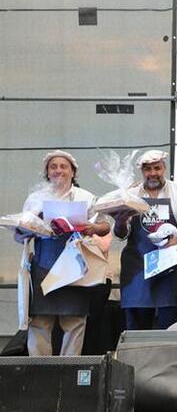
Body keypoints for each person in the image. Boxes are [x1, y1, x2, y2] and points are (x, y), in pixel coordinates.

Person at [16, 150, 111, 356]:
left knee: (75, 322)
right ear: (47, 173)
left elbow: (105, 226)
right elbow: (20, 235)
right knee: (40, 322)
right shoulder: (35, 198)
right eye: (53, 167)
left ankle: (69, 370)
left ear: (73, 172)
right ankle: (40, 372)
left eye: (63, 166)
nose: (58, 170)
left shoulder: (85, 197)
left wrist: (90, 228)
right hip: (43, 264)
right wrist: (32, 224)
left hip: (75, 267)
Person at [113, 150, 177, 330]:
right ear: (142, 172)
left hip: (172, 267)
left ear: (164, 168)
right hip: (138, 269)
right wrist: (120, 221)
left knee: (170, 323)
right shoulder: (129, 195)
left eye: (157, 168)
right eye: (147, 169)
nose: (153, 173)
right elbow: (121, 235)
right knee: (137, 327)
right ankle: (134, 359)